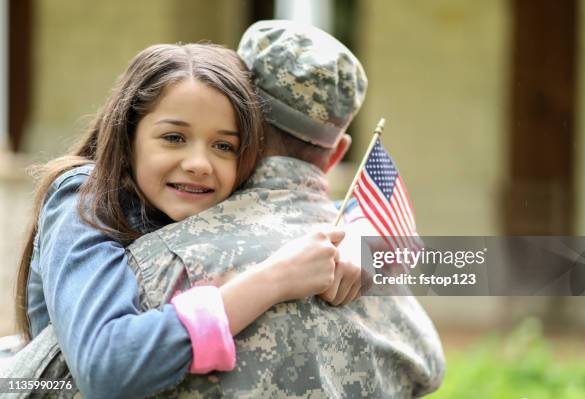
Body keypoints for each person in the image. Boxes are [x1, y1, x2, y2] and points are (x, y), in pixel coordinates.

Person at [12, 43, 358, 398]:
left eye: (223, 146)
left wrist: (358, 242)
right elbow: (107, 364)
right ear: (128, 136)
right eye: (174, 138)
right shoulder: (84, 198)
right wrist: (273, 280)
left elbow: (333, 210)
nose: (199, 163)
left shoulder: (206, 196)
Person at [125, 20, 446, 397]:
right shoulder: (374, 266)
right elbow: (430, 365)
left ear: (233, 124)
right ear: (338, 152)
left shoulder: (155, 259)